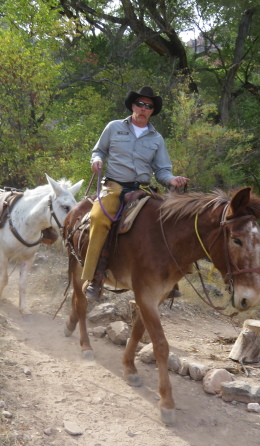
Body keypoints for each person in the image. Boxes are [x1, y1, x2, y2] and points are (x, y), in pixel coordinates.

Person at [83, 86, 189, 300]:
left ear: (152, 111)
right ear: (133, 106)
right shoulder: (113, 127)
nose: (143, 108)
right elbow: (99, 150)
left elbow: (162, 170)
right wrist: (96, 160)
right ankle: (95, 277)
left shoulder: (157, 139)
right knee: (98, 217)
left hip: (142, 189)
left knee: (169, 220)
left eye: (148, 106)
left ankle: (170, 280)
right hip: (114, 186)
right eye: (140, 104)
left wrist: (172, 179)